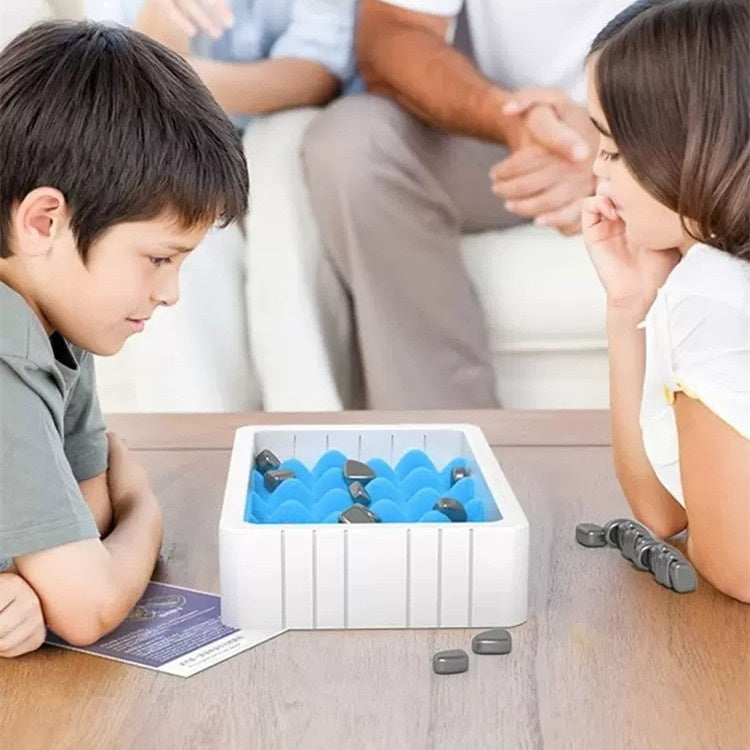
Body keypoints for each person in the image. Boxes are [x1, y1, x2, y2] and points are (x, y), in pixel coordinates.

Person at [0, 20, 248, 656]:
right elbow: (88, 605)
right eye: (159, 259)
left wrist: (49, 574)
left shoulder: (58, 324)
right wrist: (147, 509)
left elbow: (91, 518)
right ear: (43, 221)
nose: (171, 294)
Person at [301, 0, 630, 409]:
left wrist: (619, 146)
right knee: (355, 146)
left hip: (687, 122)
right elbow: (394, 33)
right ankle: (445, 451)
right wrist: (509, 118)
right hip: (523, 130)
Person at [575, 0, 748, 601]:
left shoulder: (713, 295)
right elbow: (662, 510)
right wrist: (630, 306)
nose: (598, 173)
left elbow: (739, 564)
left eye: (615, 150)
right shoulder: (699, 280)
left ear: (695, 146)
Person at [135, 0, 358, 129]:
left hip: (275, 122)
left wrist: (172, 79)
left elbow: (317, 76)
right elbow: (132, 77)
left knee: (286, 136)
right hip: (166, 120)